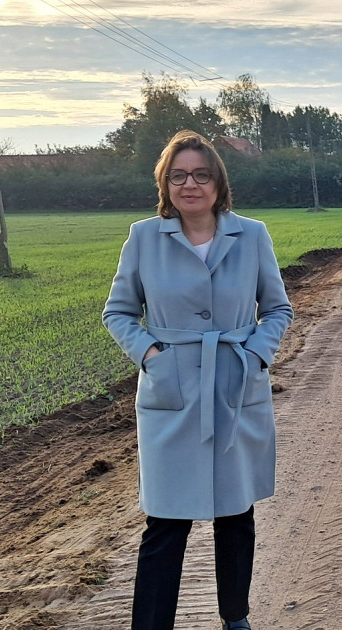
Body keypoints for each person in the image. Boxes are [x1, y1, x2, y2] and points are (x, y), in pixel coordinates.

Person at [103, 129, 293, 630]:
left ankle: (236, 619)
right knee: (166, 522)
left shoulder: (251, 235)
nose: (190, 184)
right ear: (165, 184)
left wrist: (254, 356)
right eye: (178, 175)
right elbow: (118, 312)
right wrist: (151, 356)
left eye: (201, 174)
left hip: (234, 386)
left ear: (217, 182)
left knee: (236, 515)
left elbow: (277, 308)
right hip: (173, 392)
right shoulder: (144, 237)